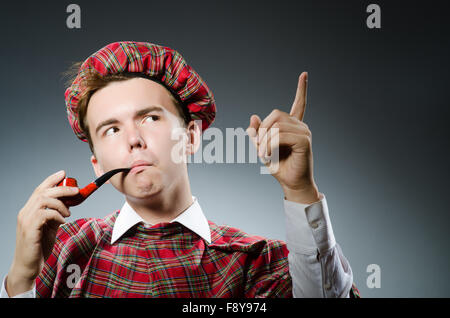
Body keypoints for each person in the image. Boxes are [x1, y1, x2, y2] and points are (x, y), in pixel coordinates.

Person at [1, 41, 359, 298]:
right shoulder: (68, 251)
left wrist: (300, 192)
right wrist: (20, 279)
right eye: (111, 129)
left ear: (190, 137)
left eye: (150, 118)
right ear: (97, 163)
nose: (134, 141)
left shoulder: (258, 261)